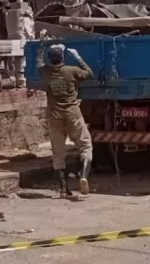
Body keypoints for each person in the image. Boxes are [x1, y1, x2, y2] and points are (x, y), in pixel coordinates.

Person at [38, 44, 93, 196]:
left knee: (58, 154)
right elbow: (89, 73)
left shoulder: (45, 72)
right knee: (86, 146)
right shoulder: (71, 70)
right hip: (73, 114)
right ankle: (83, 175)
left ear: (50, 58)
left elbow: (38, 61)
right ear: (62, 57)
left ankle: (63, 189)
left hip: (55, 117)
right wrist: (77, 56)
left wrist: (42, 43)